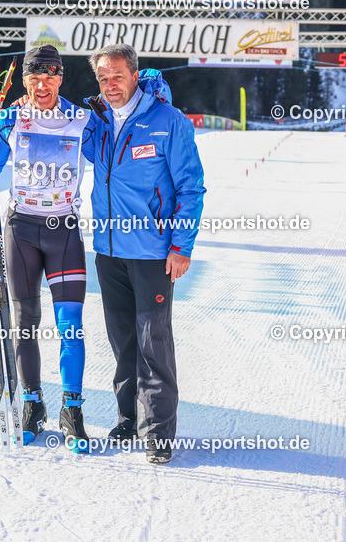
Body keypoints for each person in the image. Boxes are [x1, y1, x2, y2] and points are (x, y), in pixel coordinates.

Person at [0, 45, 93, 453]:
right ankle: (33, 403)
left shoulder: (82, 119)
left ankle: (73, 410)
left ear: (60, 79)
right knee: (25, 320)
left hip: (64, 229)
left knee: (70, 323)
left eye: (50, 76)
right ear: (25, 81)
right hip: (21, 228)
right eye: (34, 77)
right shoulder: (11, 118)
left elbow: (122, 128)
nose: (42, 84)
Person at [80, 44, 206, 465]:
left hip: (153, 253)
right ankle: (127, 416)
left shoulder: (168, 122)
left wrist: (181, 247)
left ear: (135, 75)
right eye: (102, 78)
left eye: (117, 76)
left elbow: (191, 187)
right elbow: (50, 122)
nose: (110, 85)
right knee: (122, 341)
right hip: (109, 250)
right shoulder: (95, 122)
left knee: (154, 342)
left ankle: (158, 432)